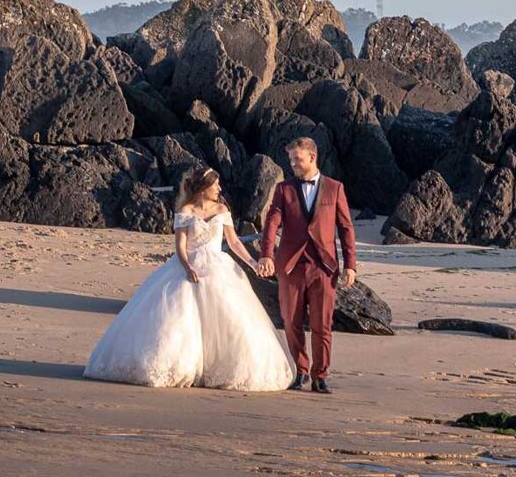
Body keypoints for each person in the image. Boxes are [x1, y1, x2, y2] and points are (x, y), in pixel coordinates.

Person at [83, 165, 293, 391]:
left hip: (217, 265)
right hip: (188, 265)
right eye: (215, 185)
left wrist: (252, 263)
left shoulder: (222, 210)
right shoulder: (185, 210)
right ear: (203, 188)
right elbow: (180, 245)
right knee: (180, 317)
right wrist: (187, 266)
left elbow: (233, 242)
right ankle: (181, 366)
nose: (219, 188)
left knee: (228, 317)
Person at [255, 136, 357, 393]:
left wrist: (350, 265)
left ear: (312, 157)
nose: (293, 165)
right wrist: (266, 255)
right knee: (291, 321)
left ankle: (320, 375)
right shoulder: (283, 189)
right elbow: (272, 223)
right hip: (290, 266)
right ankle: (301, 371)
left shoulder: (335, 188)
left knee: (322, 325)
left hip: (324, 267)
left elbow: (346, 228)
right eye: (291, 160)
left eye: (297, 159)